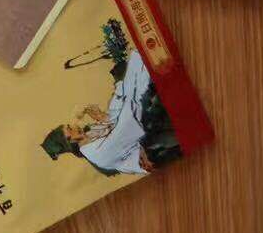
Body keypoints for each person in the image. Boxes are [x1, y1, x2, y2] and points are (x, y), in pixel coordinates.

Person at [40, 50, 181, 176]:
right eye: (70, 129)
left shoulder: (91, 134)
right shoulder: (96, 153)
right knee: (153, 92)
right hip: (156, 152)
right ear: (69, 140)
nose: (74, 126)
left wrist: (105, 116)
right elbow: (128, 125)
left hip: (146, 132)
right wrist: (127, 79)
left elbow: (119, 117)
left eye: (69, 126)